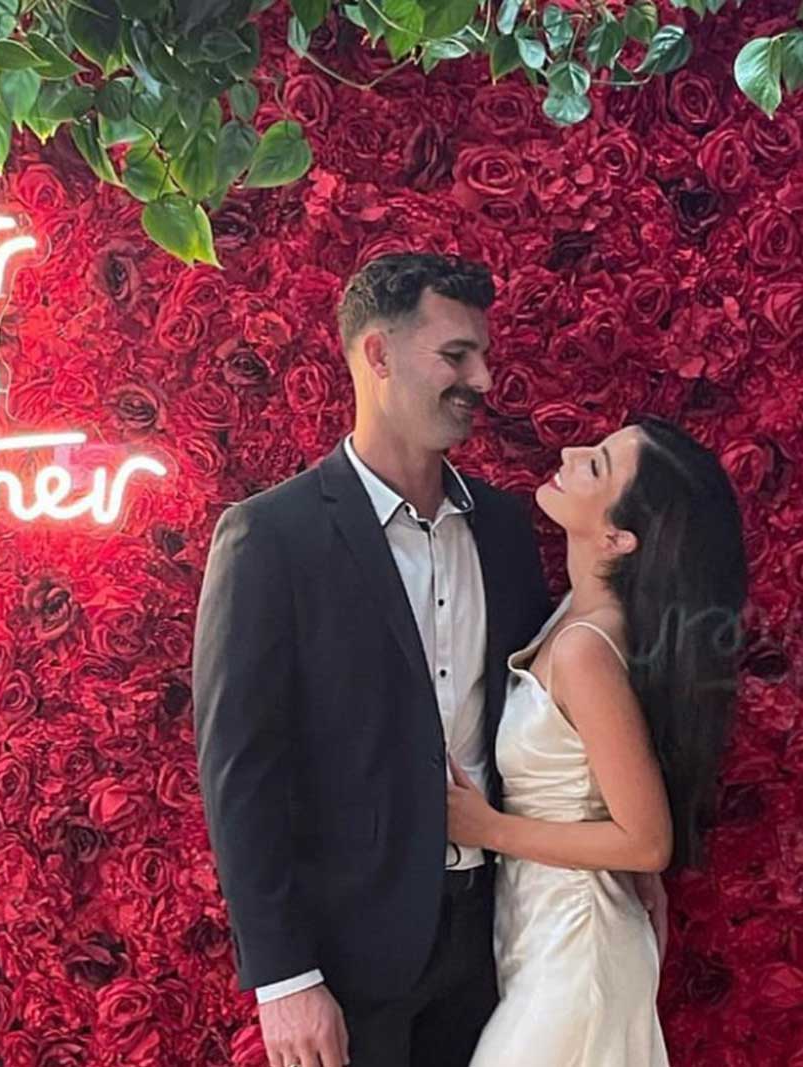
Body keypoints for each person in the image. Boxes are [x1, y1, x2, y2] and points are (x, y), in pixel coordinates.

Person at [193, 252, 666, 1067]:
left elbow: (548, 719)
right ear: (377, 356)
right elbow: (241, 769)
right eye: (455, 355)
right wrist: (283, 977)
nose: (481, 378)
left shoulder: (507, 530)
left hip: (502, 936)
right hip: (349, 959)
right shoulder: (272, 536)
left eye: (482, 355)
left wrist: (624, 862)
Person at [445, 417, 749, 1066]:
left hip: (576, 952)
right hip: (546, 940)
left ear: (619, 536)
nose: (569, 451)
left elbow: (647, 840)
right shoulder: (575, 616)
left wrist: (487, 827)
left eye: (597, 465)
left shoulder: (587, 648)